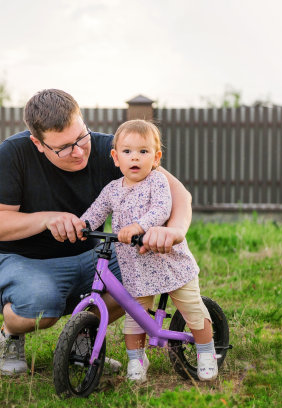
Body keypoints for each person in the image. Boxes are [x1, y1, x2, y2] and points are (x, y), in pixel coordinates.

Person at [0, 89, 193, 376]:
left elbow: (180, 194)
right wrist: (46, 219)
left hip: (89, 257)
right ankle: (11, 334)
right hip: (21, 259)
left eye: (81, 137)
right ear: (38, 143)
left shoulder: (112, 151)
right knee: (41, 306)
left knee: (142, 272)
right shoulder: (14, 153)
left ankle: (82, 340)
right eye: (64, 147)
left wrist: (175, 230)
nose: (78, 151)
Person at [80, 119, 217, 382]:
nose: (135, 158)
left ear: (156, 158)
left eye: (143, 152)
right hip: (136, 267)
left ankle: (206, 351)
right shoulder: (111, 190)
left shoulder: (157, 181)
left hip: (169, 262)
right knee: (135, 316)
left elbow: (161, 210)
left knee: (191, 308)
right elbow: (95, 212)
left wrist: (138, 226)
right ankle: (136, 360)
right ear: (115, 157)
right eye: (127, 151)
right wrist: (82, 224)